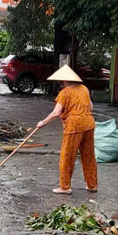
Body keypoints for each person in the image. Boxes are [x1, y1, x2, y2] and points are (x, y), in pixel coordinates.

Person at [36, 64, 98, 195]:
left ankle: (65, 187)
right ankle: (92, 185)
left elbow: (56, 113)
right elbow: (91, 107)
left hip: (74, 126)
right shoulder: (84, 89)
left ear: (64, 81)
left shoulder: (64, 93)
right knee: (88, 156)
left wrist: (42, 123)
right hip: (89, 124)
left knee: (67, 156)